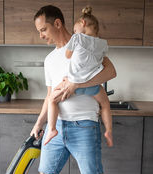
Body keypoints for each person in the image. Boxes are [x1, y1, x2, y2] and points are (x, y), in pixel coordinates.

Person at [31, 5, 117, 174]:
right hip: (56, 125)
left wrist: (76, 86)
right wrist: (39, 124)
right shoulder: (49, 60)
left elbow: (110, 71)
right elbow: (50, 96)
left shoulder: (86, 45)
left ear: (57, 23)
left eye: (43, 29)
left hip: (84, 126)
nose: (41, 35)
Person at [43, 6, 113, 147]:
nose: (74, 32)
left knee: (52, 100)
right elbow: (104, 63)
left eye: (75, 29)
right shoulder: (102, 44)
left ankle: (51, 129)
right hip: (93, 87)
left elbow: (67, 55)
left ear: (83, 23)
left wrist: (74, 51)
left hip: (71, 82)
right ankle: (109, 130)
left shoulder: (77, 38)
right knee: (105, 104)